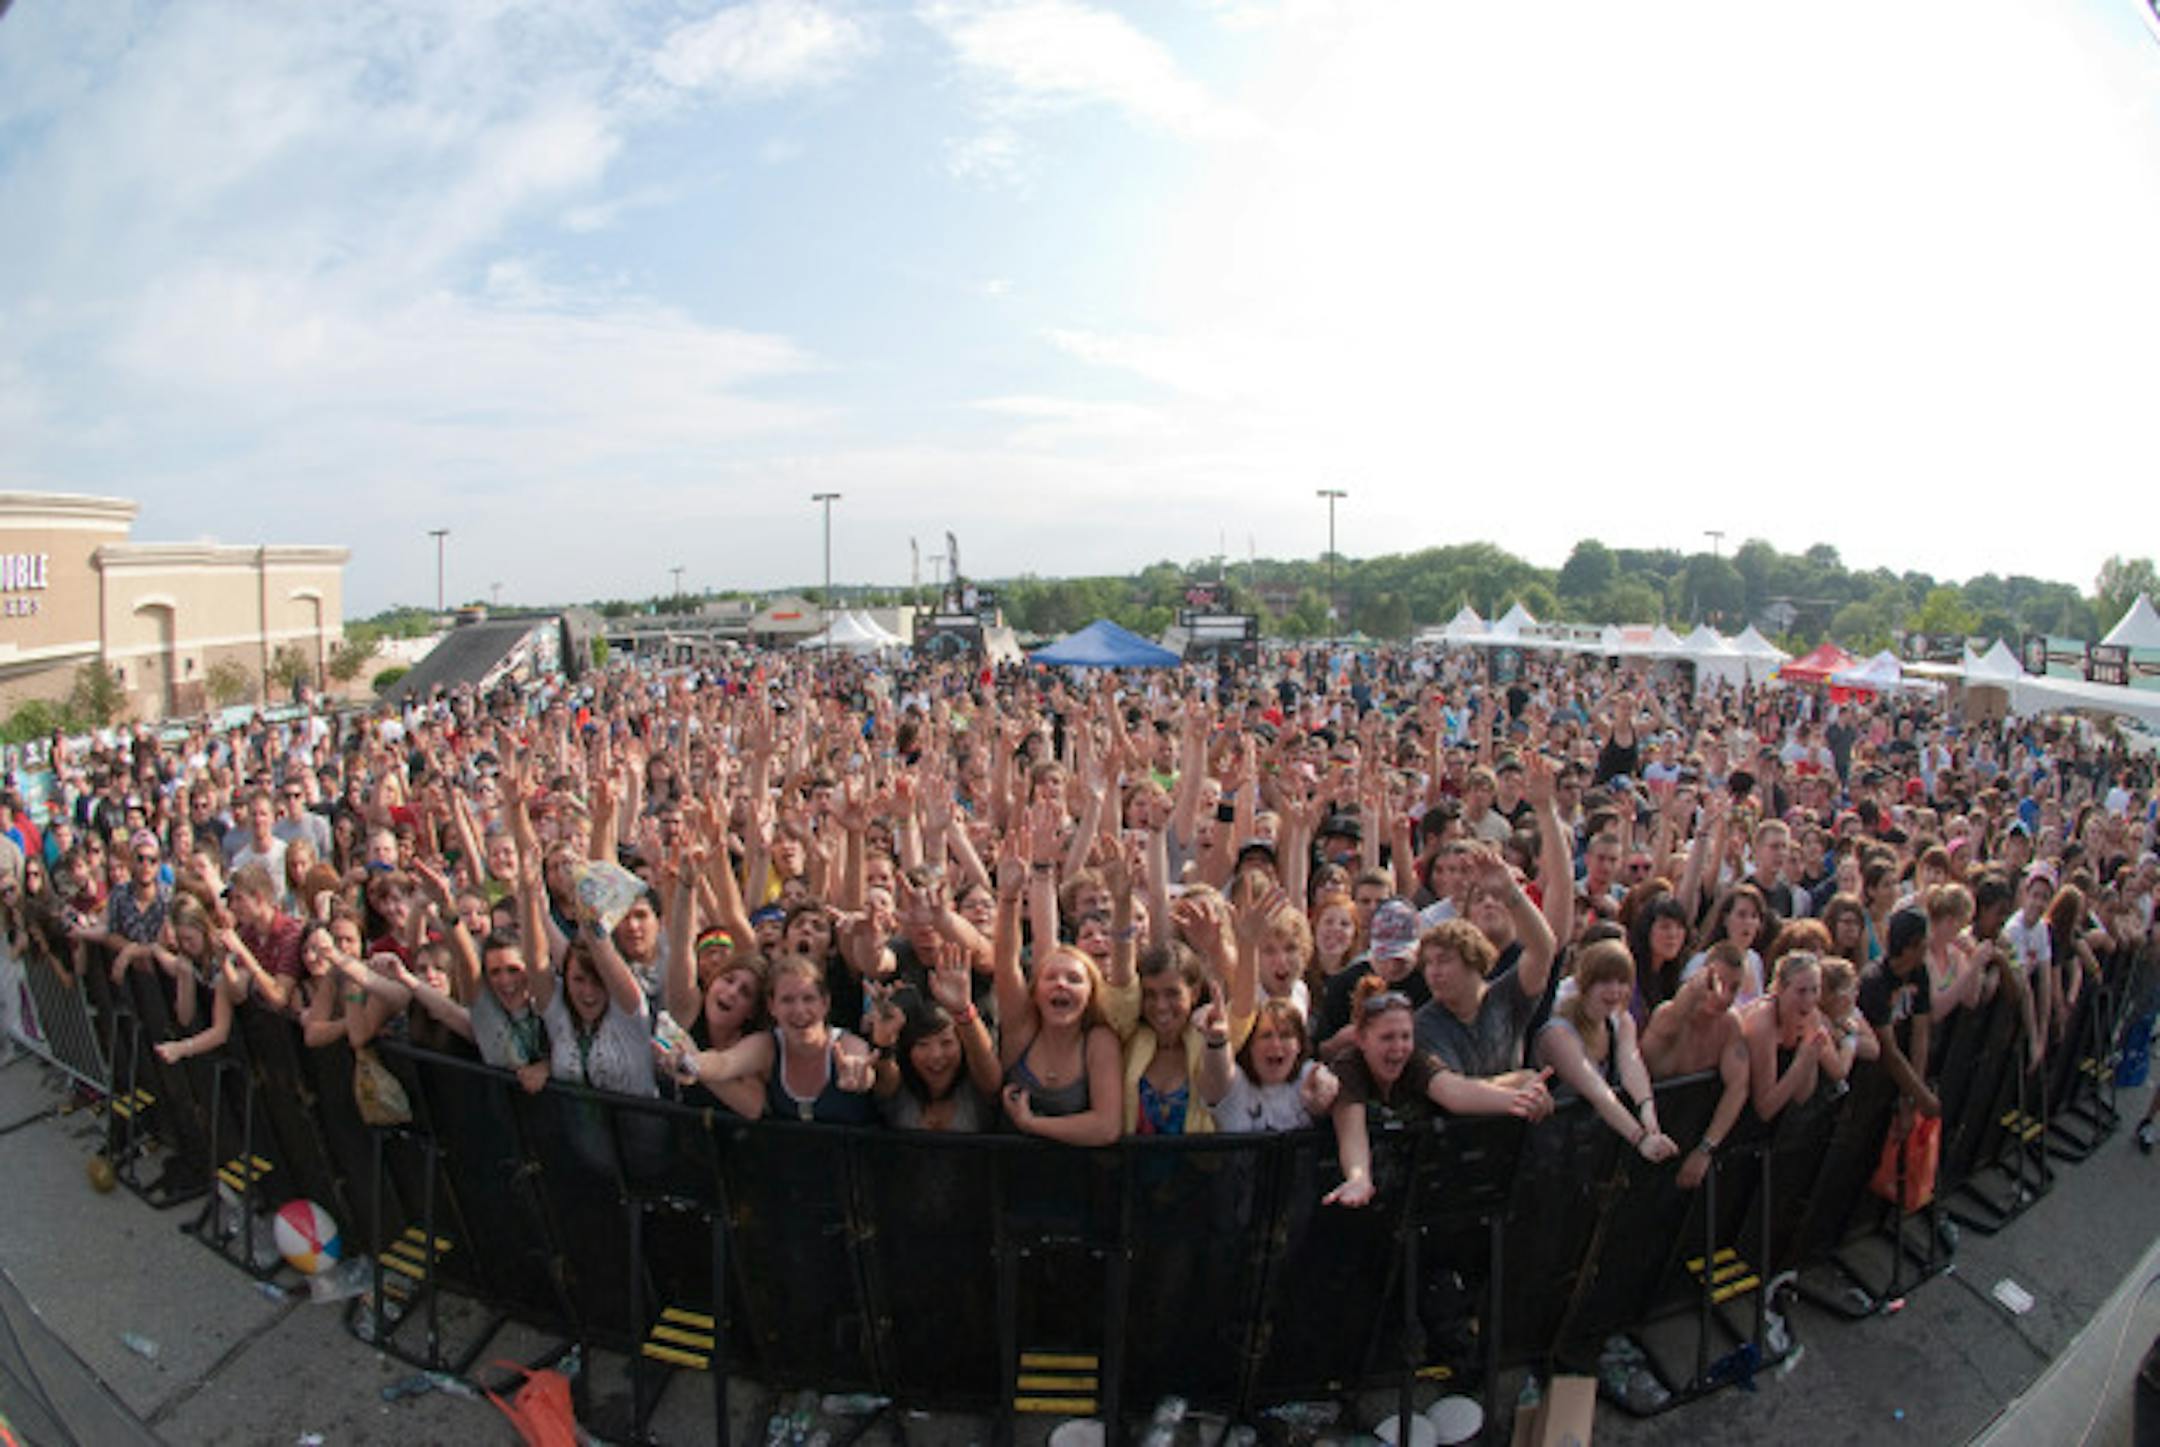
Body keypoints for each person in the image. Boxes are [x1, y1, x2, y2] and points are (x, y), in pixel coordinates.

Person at [1322, 977, 1554, 1207]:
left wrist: (1520, 1100)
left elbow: (1455, 1092)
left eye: (1405, 1036)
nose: (1398, 1048)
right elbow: (1351, 1131)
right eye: (1387, 1038)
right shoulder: (1349, 1067)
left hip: (1412, 1199)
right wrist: (1358, 1178)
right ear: (1362, 1039)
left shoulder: (1415, 1061)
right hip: (1356, 1200)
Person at [1534, 940, 1678, 1163]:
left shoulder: (1620, 1021)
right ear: (1585, 983)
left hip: (1591, 1149)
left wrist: (1648, 1112)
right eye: (1604, 981)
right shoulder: (1558, 1034)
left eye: (1622, 981)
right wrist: (1640, 1139)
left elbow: (1632, 1063)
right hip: (1550, 1153)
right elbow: (1596, 1089)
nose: (1615, 990)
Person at [1198, 997, 1340, 1134]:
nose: (1276, 1044)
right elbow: (1216, 1073)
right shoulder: (1235, 1082)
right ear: (1249, 1045)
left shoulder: (1308, 1076)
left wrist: (1323, 1100)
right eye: (1266, 1036)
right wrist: (1217, 1040)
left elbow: (1327, 1084)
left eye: (1285, 1035)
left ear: (1299, 1046)